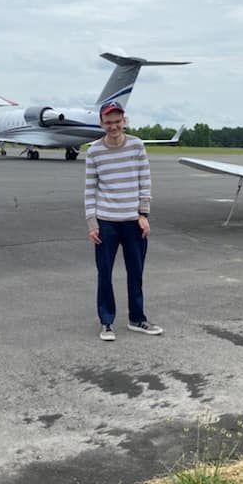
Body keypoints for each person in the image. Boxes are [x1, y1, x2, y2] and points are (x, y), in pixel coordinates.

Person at [85, 100, 163, 341]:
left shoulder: (137, 146)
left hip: (133, 221)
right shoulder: (94, 151)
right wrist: (92, 223)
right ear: (102, 123)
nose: (113, 126)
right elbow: (90, 189)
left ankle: (137, 319)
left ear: (124, 121)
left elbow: (145, 180)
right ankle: (106, 322)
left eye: (117, 122)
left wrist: (143, 214)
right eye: (108, 122)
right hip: (106, 220)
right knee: (104, 273)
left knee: (136, 272)